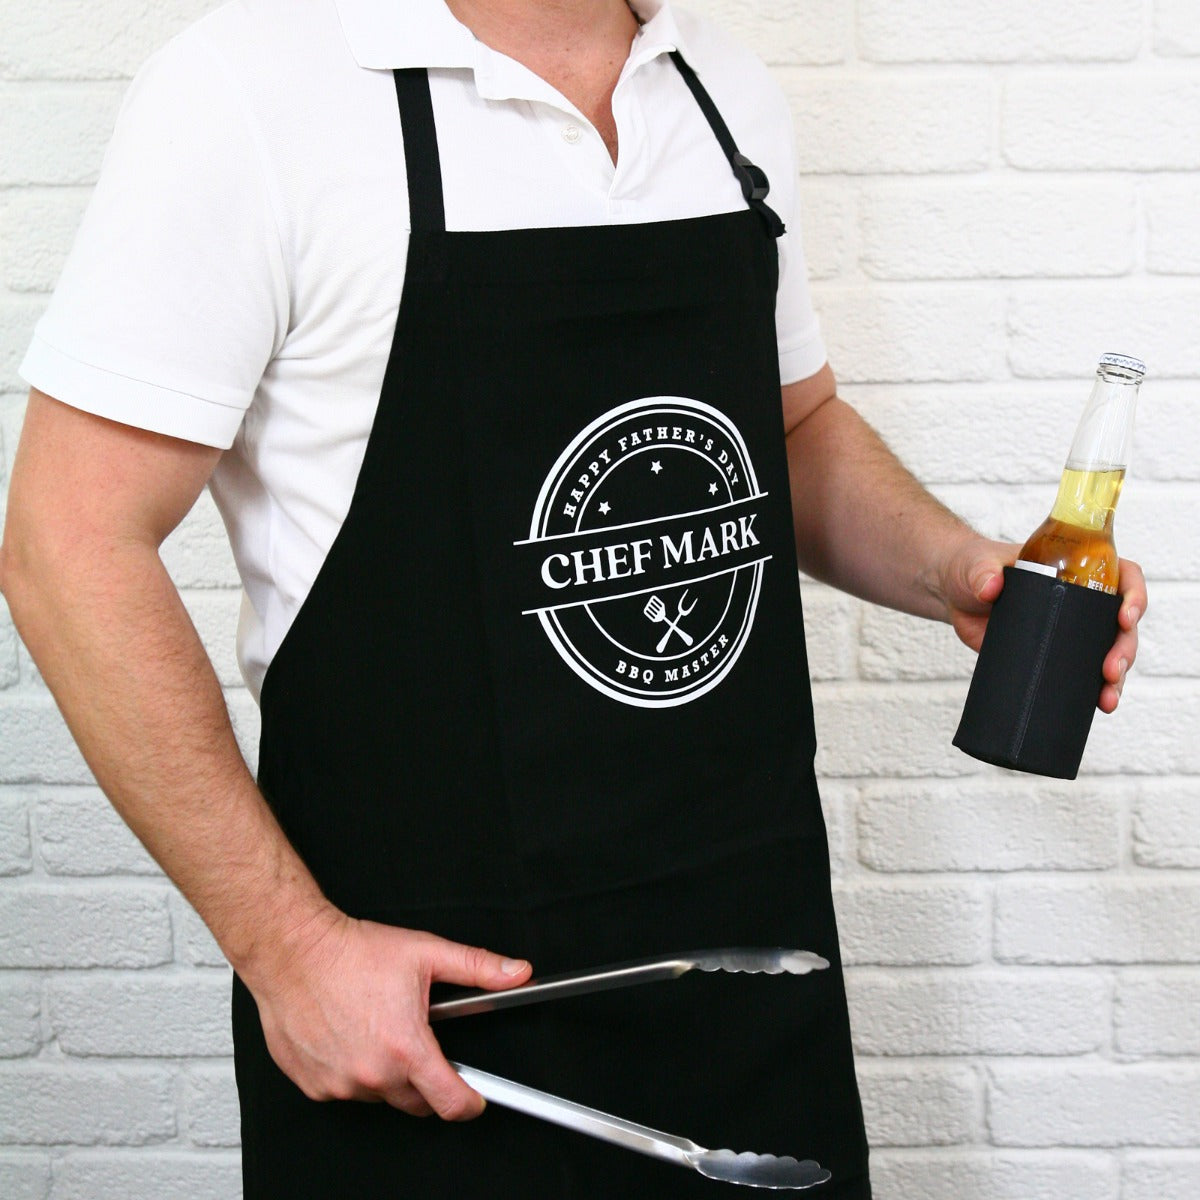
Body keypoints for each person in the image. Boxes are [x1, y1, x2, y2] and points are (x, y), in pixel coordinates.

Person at [0, 0, 1145, 1196]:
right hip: (434, 1026)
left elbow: (788, 427)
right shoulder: (254, 91)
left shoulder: (719, 90)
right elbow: (66, 544)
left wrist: (953, 568)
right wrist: (287, 949)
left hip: (752, 978)